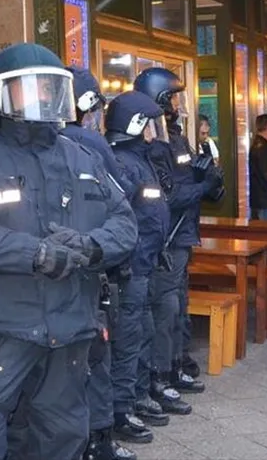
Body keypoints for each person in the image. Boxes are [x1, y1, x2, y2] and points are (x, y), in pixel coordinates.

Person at [0, 43, 138, 460]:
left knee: (61, 437)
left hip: (70, 328)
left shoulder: (82, 157)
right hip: (0, 328)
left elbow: (124, 222)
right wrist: (35, 253)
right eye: (30, 88)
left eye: (50, 88)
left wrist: (91, 246)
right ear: (0, 95)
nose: (43, 98)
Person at [58, 66, 138, 460]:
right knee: (97, 359)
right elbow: (124, 199)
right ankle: (99, 442)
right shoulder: (90, 143)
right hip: (95, 268)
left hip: (50, 273)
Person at [134, 67, 221, 401]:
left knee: (178, 306)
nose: (176, 104)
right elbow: (169, 198)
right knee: (165, 308)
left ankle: (175, 363)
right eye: (171, 97)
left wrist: (211, 180)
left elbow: (186, 183)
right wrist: (202, 186)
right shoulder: (153, 143)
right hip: (168, 239)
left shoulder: (175, 136)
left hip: (183, 234)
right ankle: (161, 374)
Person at [105, 91, 171, 445]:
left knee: (143, 331)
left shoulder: (139, 159)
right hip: (131, 269)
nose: (154, 131)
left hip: (145, 263)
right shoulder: (121, 163)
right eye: (149, 124)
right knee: (129, 338)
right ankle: (122, 408)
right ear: (134, 126)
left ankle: (139, 396)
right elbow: (122, 218)